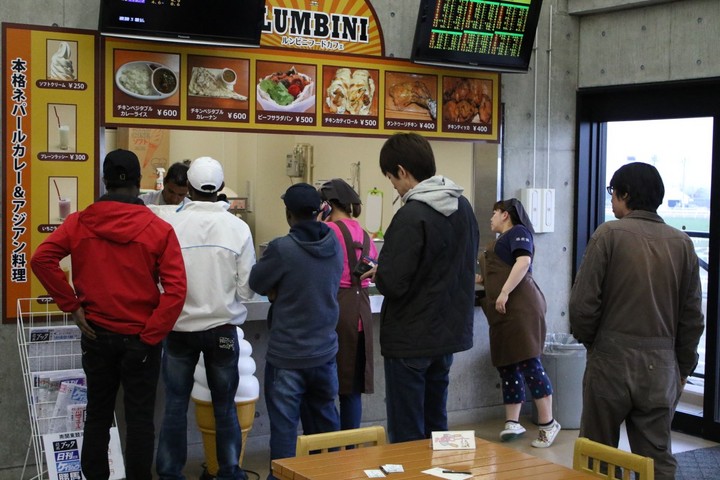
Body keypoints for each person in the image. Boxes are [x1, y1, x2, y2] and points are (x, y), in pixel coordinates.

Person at [30, 149, 187, 480]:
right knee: (140, 419)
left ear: (104, 180)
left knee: (98, 415)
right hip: (141, 339)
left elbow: (41, 259)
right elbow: (176, 291)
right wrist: (150, 336)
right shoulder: (159, 229)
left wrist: (72, 305)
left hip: (96, 334)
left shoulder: (79, 222)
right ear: (138, 182)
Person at [569, 162, 704, 480]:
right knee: (656, 459)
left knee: (599, 455)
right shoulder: (682, 244)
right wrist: (682, 368)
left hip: (610, 361)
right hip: (661, 367)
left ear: (625, 194)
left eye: (613, 192)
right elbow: (692, 318)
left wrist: (594, 343)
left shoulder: (608, 234)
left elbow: (582, 306)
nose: (611, 199)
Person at [152, 157, 256, 480]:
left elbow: (160, 281)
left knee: (174, 406)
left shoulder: (171, 225)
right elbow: (247, 290)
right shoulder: (238, 228)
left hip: (179, 329)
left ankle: (170, 473)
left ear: (189, 187)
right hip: (223, 331)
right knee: (224, 406)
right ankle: (229, 472)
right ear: (221, 187)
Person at [373, 132, 479, 443]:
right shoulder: (463, 206)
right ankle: (438, 469)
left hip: (410, 338)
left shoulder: (411, 215)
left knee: (406, 432)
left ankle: (411, 470)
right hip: (447, 334)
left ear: (402, 171)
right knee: (436, 424)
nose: (394, 186)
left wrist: (381, 273)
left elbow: (393, 283)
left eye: (392, 178)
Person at [249, 183, 343, 479]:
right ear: (318, 212)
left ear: (289, 214)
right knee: (325, 430)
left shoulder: (282, 248)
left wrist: (278, 289)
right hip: (325, 353)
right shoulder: (334, 243)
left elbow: (257, 282)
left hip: (288, 356)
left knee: (285, 431)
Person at [476, 199, 560, 448]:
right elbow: (492, 275)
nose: (491, 218)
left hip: (522, 309)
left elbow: (523, 262)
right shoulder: (498, 242)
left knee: (529, 363)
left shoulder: (519, 232)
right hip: (503, 314)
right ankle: (512, 422)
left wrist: (504, 292)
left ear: (505, 215)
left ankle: (548, 424)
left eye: (494, 213)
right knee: (507, 365)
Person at [318, 178, 377, 430]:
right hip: (361, 312)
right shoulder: (365, 234)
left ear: (327, 205)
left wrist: (317, 224)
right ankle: (351, 444)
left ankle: (330, 445)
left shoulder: (327, 231)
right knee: (352, 388)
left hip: (334, 310)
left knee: (325, 387)